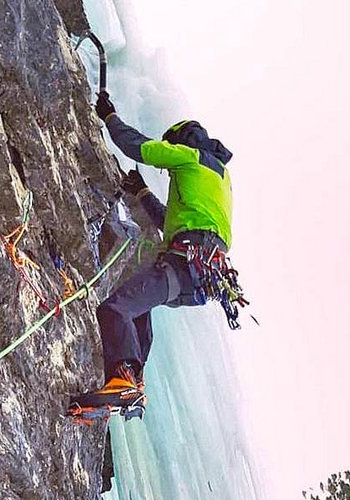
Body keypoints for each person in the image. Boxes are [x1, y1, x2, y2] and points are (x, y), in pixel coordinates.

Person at [67, 91, 236, 422]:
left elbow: (137, 147)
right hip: (200, 274)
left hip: (186, 264)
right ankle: (134, 381)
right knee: (138, 304)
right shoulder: (220, 179)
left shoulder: (191, 157)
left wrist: (109, 116)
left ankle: (123, 381)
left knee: (114, 309)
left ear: (185, 140)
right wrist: (142, 193)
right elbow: (173, 223)